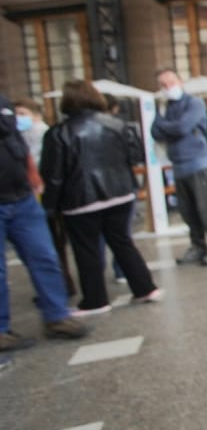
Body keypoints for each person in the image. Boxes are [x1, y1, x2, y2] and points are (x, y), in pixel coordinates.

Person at [39, 80, 162, 317]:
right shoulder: (118, 125)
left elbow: (53, 175)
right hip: (120, 193)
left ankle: (95, 299)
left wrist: (50, 206)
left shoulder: (59, 133)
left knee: (87, 250)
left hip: (81, 199)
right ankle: (145, 288)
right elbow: (134, 156)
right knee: (122, 242)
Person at [0, 93, 88, 351]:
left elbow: (15, 142)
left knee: (45, 257)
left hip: (22, 198)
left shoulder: (4, 102)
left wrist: (32, 174)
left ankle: (57, 315)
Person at [152, 69, 207, 266]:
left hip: (198, 164)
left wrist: (167, 126)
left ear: (180, 82)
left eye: (171, 82)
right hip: (178, 165)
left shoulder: (194, 103)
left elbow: (182, 127)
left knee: (206, 208)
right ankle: (197, 245)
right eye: (163, 85)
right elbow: (155, 131)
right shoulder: (164, 108)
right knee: (187, 210)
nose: (168, 88)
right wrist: (169, 126)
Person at [13, 99, 48, 167]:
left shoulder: (41, 131)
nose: (17, 117)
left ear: (37, 116)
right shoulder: (22, 131)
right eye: (15, 114)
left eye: (22, 114)